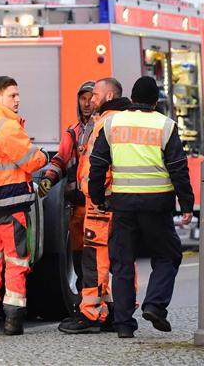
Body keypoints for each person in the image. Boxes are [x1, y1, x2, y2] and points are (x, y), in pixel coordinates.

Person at [88, 76, 193, 339]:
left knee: (122, 263)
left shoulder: (112, 123)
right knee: (168, 255)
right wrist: (187, 204)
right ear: (156, 101)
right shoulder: (165, 125)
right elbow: (178, 168)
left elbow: (98, 163)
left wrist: (97, 196)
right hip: (157, 204)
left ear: (132, 99)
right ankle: (155, 305)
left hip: (122, 204)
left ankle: (123, 325)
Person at [0, 76, 49, 336]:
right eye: (12, 95)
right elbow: (31, 161)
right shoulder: (7, 127)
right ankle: (13, 320)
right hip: (12, 207)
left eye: (17, 95)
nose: (18, 100)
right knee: (16, 262)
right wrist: (45, 155)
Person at [54, 78, 131, 334]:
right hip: (112, 202)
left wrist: (97, 194)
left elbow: (101, 165)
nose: (91, 101)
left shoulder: (105, 123)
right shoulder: (120, 120)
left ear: (108, 95)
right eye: (86, 96)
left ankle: (90, 312)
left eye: (95, 95)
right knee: (111, 260)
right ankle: (112, 312)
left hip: (99, 203)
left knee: (95, 260)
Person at [38, 80, 96, 289]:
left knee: (98, 257)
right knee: (80, 256)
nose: (87, 103)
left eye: (91, 99)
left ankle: (99, 306)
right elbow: (60, 160)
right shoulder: (72, 132)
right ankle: (86, 303)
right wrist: (48, 179)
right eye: (83, 99)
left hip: (99, 204)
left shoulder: (104, 128)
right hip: (78, 205)